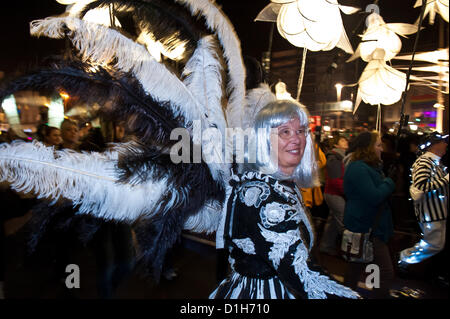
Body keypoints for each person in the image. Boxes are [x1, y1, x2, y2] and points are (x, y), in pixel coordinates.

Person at [210, 100, 359, 299]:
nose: (296, 139)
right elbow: (300, 273)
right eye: (285, 132)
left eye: (301, 131)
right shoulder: (261, 194)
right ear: (265, 139)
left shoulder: (283, 185)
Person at [342, 131, 396, 298]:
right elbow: (374, 196)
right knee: (384, 272)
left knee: (356, 271)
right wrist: (389, 182)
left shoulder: (371, 167)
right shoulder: (358, 167)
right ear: (368, 148)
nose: (381, 149)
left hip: (372, 227)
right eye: (378, 145)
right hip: (366, 228)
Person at [398, 133, 448, 275]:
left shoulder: (435, 162)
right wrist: (446, 180)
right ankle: (404, 259)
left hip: (438, 211)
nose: (446, 144)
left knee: (436, 244)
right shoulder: (424, 162)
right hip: (431, 212)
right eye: (442, 141)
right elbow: (419, 187)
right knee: (434, 244)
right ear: (433, 145)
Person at [319, 135, 349, 256]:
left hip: (334, 193)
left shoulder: (342, 157)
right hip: (334, 193)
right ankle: (349, 250)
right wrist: (347, 191)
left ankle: (326, 245)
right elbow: (336, 180)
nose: (346, 141)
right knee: (343, 222)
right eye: (342, 140)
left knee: (333, 223)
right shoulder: (334, 158)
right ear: (336, 145)